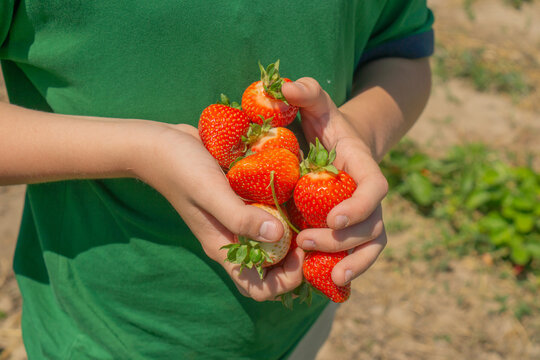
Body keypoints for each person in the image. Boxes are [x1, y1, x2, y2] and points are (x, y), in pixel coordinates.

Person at [0, 1, 434, 359]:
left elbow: (400, 49)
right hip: (107, 327)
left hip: (296, 322)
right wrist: (141, 152)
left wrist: (357, 133)